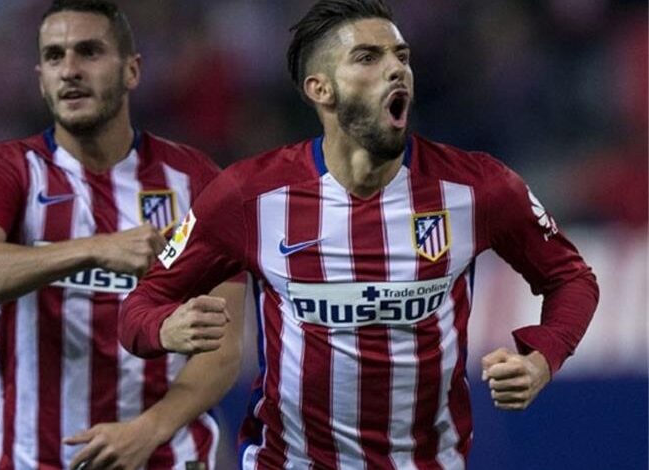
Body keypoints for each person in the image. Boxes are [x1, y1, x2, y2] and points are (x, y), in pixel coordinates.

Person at [119, 0, 600, 469]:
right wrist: (165, 328)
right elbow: (139, 308)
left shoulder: (478, 188)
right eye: (368, 57)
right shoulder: (248, 196)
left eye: (401, 57)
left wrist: (541, 359)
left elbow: (572, 279)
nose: (396, 70)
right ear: (321, 89)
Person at [0, 1, 246, 469]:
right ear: (41, 78)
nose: (70, 70)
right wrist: (93, 250)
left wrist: (148, 431)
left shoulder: (197, 181)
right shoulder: (8, 171)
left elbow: (223, 349)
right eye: (54, 56)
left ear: (131, 70)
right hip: (37, 460)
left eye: (89, 52)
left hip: (162, 457)